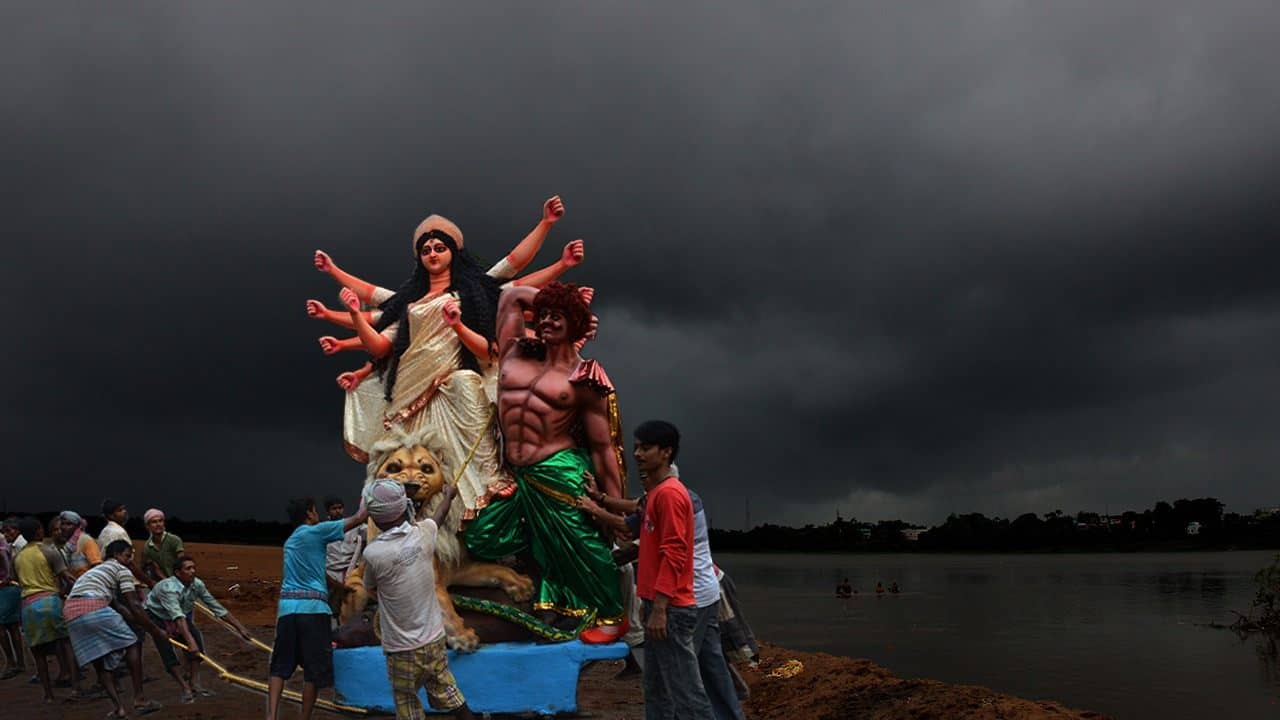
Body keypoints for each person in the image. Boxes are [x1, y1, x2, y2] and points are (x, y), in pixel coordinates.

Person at [311, 199, 583, 523]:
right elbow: (381, 344)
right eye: (426, 250)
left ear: (453, 251)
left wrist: (548, 229)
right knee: (406, 460)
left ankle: (483, 497)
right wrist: (354, 312)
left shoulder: (472, 294)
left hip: (454, 383)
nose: (433, 254)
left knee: (467, 388)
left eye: (440, 248)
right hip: (408, 390)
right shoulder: (410, 303)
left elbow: (512, 269)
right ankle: (401, 521)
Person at [464, 282, 627, 642]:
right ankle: (548, 596)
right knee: (482, 535)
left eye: (559, 317)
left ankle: (612, 616)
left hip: (559, 469)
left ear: (577, 325)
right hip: (516, 474)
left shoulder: (584, 378)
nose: (548, 322)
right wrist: (559, 299)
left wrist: (614, 508)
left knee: (583, 543)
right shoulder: (514, 351)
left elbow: (603, 447)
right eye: (544, 315)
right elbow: (510, 296)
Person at [362, 479, 475, 720]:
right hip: (434, 640)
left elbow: (370, 588)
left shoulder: (373, 553)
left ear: (374, 517)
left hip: (400, 649)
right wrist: (449, 495)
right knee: (449, 690)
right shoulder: (423, 534)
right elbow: (439, 516)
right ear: (403, 508)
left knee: (407, 702)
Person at [633, 420, 714, 720]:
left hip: (671, 608)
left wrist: (660, 608)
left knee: (687, 692)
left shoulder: (669, 494)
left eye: (646, 448)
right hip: (656, 604)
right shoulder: (657, 493)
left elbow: (675, 553)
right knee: (656, 689)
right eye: (636, 447)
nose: (637, 454)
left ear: (666, 452)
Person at [267, 496, 369, 720]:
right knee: (313, 671)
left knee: (279, 666)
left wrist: (339, 588)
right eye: (315, 511)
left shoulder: (291, 542)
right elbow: (359, 517)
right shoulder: (318, 531)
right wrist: (373, 494)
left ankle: (271, 716)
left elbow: (319, 573)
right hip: (313, 610)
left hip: (287, 611)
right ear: (309, 513)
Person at [63, 539, 165, 717]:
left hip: (71, 613)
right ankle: (140, 699)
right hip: (94, 606)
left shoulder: (95, 571)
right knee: (132, 643)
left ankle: (119, 708)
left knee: (99, 661)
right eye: (127, 556)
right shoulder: (121, 569)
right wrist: (155, 630)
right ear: (116, 555)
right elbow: (134, 604)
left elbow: (119, 607)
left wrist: (139, 622)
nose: (130, 560)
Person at [145, 554, 253, 703]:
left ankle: (194, 683)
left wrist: (240, 628)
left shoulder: (197, 584)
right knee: (167, 651)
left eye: (193, 568)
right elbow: (178, 617)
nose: (193, 571)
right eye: (188, 569)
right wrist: (190, 642)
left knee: (198, 648)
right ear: (178, 573)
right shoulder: (168, 589)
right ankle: (185, 688)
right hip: (157, 616)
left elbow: (215, 607)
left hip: (179, 614)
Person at [12, 516, 80, 703]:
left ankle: (48, 694)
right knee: (66, 644)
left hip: (28, 605)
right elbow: (66, 576)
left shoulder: (17, 557)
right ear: (39, 531)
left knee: (38, 652)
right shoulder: (49, 551)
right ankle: (76, 688)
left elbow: (16, 579)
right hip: (50, 601)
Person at [323, 496, 362, 617]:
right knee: (330, 609)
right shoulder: (322, 529)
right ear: (328, 511)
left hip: (351, 573)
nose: (337, 511)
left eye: (340, 508)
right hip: (331, 574)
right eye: (334, 508)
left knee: (351, 607)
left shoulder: (355, 527)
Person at [0, 528, 25, 680]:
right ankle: (19, 662)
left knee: (3, 627)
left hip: (5, 587)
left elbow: (3, 555)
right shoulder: (2, 538)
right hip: (10, 587)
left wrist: (8, 575)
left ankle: (11, 662)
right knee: (12, 626)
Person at [140, 508, 184, 582]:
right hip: (160, 583)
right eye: (154, 522)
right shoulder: (147, 547)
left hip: (178, 581)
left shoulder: (174, 540)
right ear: (147, 526)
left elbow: (183, 564)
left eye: (160, 521)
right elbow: (145, 568)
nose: (158, 524)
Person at [57, 511, 101, 578]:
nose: (64, 527)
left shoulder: (86, 540)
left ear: (77, 526)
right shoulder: (63, 542)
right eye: (62, 524)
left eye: (69, 524)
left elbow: (96, 565)